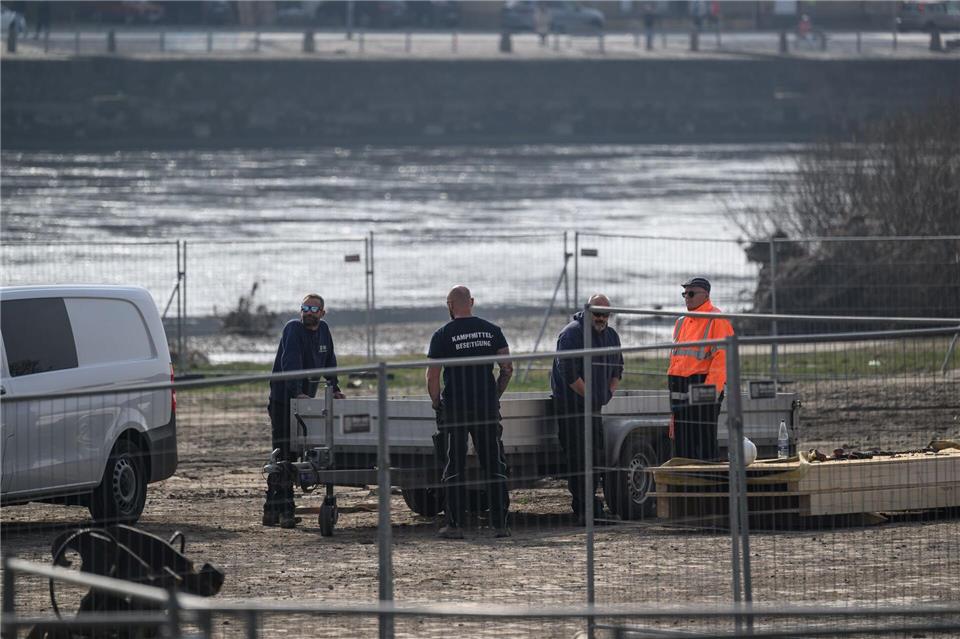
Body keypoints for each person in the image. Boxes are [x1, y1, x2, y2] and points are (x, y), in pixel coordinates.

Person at [426, 285, 513, 539]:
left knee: (455, 465)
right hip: (486, 407)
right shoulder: (492, 331)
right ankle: (500, 525)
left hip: (455, 409)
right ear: (472, 302)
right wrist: (494, 394)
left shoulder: (442, 334)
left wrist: (436, 401)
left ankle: (455, 524)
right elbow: (507, 368)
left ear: (450, 305)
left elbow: (432, 374)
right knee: (494, 463)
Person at [263, 293, 344, 529]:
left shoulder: (324, 331)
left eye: (314, 309)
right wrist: (296, 391)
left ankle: (272, 510)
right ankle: (284, 511)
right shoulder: (293, 329)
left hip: (305, 404)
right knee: (284, 453)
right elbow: (291, 362)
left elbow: (330, 361)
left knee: (295, 453)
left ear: (322, 313)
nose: (308, 312)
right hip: (283, 402)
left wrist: (335, 387)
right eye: (305, 307)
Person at [550, 294, 623, 524]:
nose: (601, 318)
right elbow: (569, 373)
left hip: (594, 408)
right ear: (588, 311)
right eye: (597, 314)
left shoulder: (611, 336)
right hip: (571, 407)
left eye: (605, 314)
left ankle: (590, 507)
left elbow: (618, 368)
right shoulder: (572, 334)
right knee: (579, 458)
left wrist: (608, 393)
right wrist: (591, 395)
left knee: (595, 456)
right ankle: (584, 509)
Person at [667, 277, 734, 462]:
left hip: (702, 386)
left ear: (705, 295)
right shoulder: (681, 322)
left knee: (703, 440)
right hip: (679, 386)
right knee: (681, 441)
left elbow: (722, 359)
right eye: (684, 294)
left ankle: (705, 485)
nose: (686, 298)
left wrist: (709, 391)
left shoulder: (717, 319)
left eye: (690, 293)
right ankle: (684, 485)